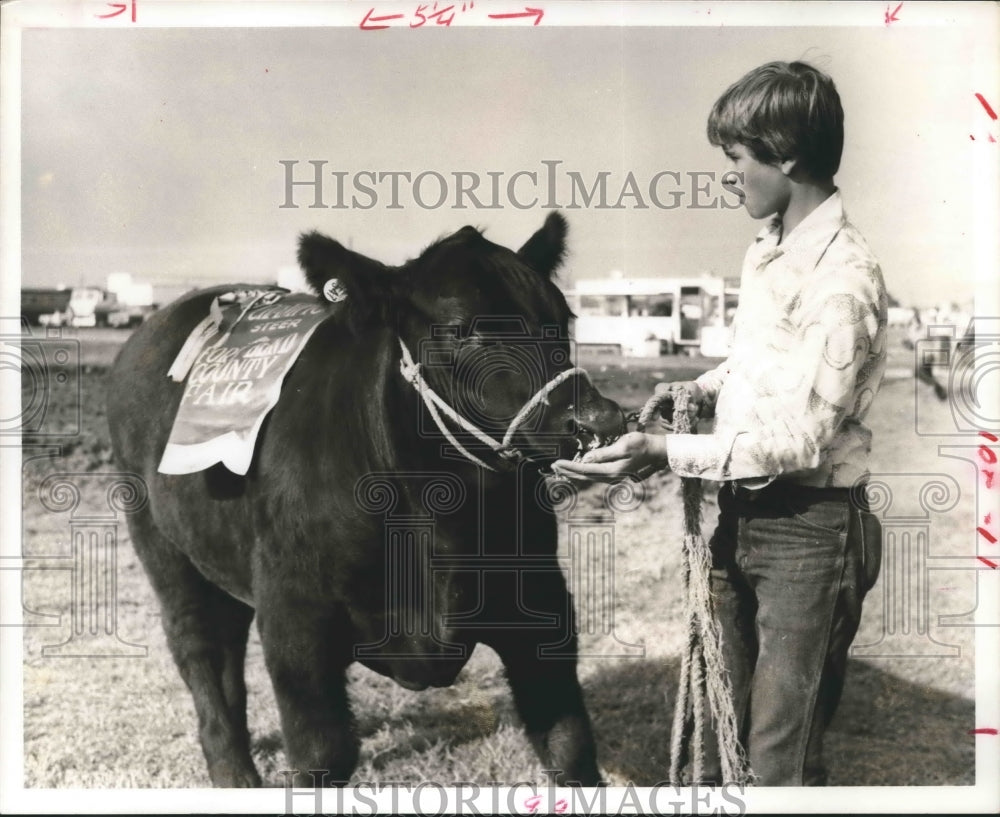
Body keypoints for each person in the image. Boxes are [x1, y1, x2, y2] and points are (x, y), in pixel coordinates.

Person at [553, 61, 888, 786]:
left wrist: (663, 449)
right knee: (725, 728)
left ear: (787, 155)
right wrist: (699, 387)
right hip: (743, 509)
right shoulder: (769, 251)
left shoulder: (844, 278)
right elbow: (761, 366)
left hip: (813, 531)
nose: (727, 176)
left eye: (735, 157)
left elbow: (800, 438)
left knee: (777, 760)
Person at [906, 307, 948, 401]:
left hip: (928, 355)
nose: (915, 321)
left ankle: (940, 389)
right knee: (928, 375)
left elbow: (935, 338)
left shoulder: (924, 329)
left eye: (916, 319)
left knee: (917, 372)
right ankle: (940, 394)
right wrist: (908, 344)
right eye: (913, 320)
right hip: (922, 355)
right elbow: (913, 346)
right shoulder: (913, 331)